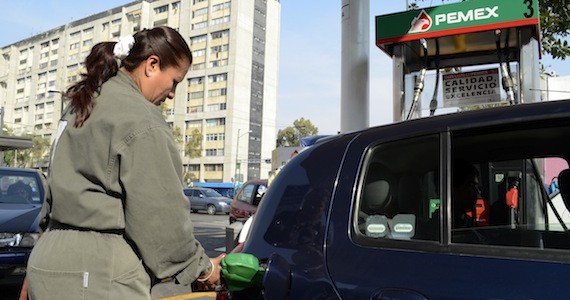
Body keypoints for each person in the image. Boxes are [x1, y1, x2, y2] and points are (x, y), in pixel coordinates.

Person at [22, 26, 224, 300]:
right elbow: (161, 219)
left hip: (45, 263)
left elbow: (51, 196)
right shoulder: (142, 118)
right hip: (98, 274)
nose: (172, 93)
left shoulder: (79, 106)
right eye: (175, 81)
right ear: (152, 65)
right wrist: (203, 269)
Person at [452, 159, 481, 228]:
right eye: (471, 185)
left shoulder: (468, 223)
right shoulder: (439, 228)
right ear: (454, 189)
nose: (478, 192)